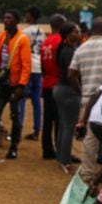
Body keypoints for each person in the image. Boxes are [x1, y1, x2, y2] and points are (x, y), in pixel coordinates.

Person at [67, 17, 102, 183]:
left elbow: (71, 74)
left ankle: (86, 175)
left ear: (91, 31)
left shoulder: (81, 49)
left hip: (88, 99)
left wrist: (81, 92)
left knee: (89, 141)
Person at [0, 12, 32, 159]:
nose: (5, 20)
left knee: (15, 116)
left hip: (15, 84)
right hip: (1, 82)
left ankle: (13, 147)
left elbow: (26, 65)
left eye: (9, 18)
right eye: (5, 17)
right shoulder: (2, 36)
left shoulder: (23, 39)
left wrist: (22, 85)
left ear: (16, 21)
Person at [52, 22, 82, 169]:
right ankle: (65, 160)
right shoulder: (70, 52)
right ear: (68, 35)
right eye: (75, 32)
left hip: (60, 89)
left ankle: (61, 157)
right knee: (69, 126)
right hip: (69, 90)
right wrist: (80, 91)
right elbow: (72, 75)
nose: (78, 34)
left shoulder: (62, 49)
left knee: (64, 125)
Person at [39, 14, 66, 160]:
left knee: (48, 119)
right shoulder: (61, 41)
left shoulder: (46, 42)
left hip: (47, 83)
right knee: (60, 120)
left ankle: (47, 149)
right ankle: (60, 148)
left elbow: (43, 67)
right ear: (61, 25)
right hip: (58, 83)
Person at [21, 7, 44, 140]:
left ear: (32, 17)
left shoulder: (25, 32)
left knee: (22, 100)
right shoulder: (42, 32)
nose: (26, 16)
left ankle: (19, 128)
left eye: (27, 15)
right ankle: (36, 131)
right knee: (36, 101)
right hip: (39, 67)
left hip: (28, 67)